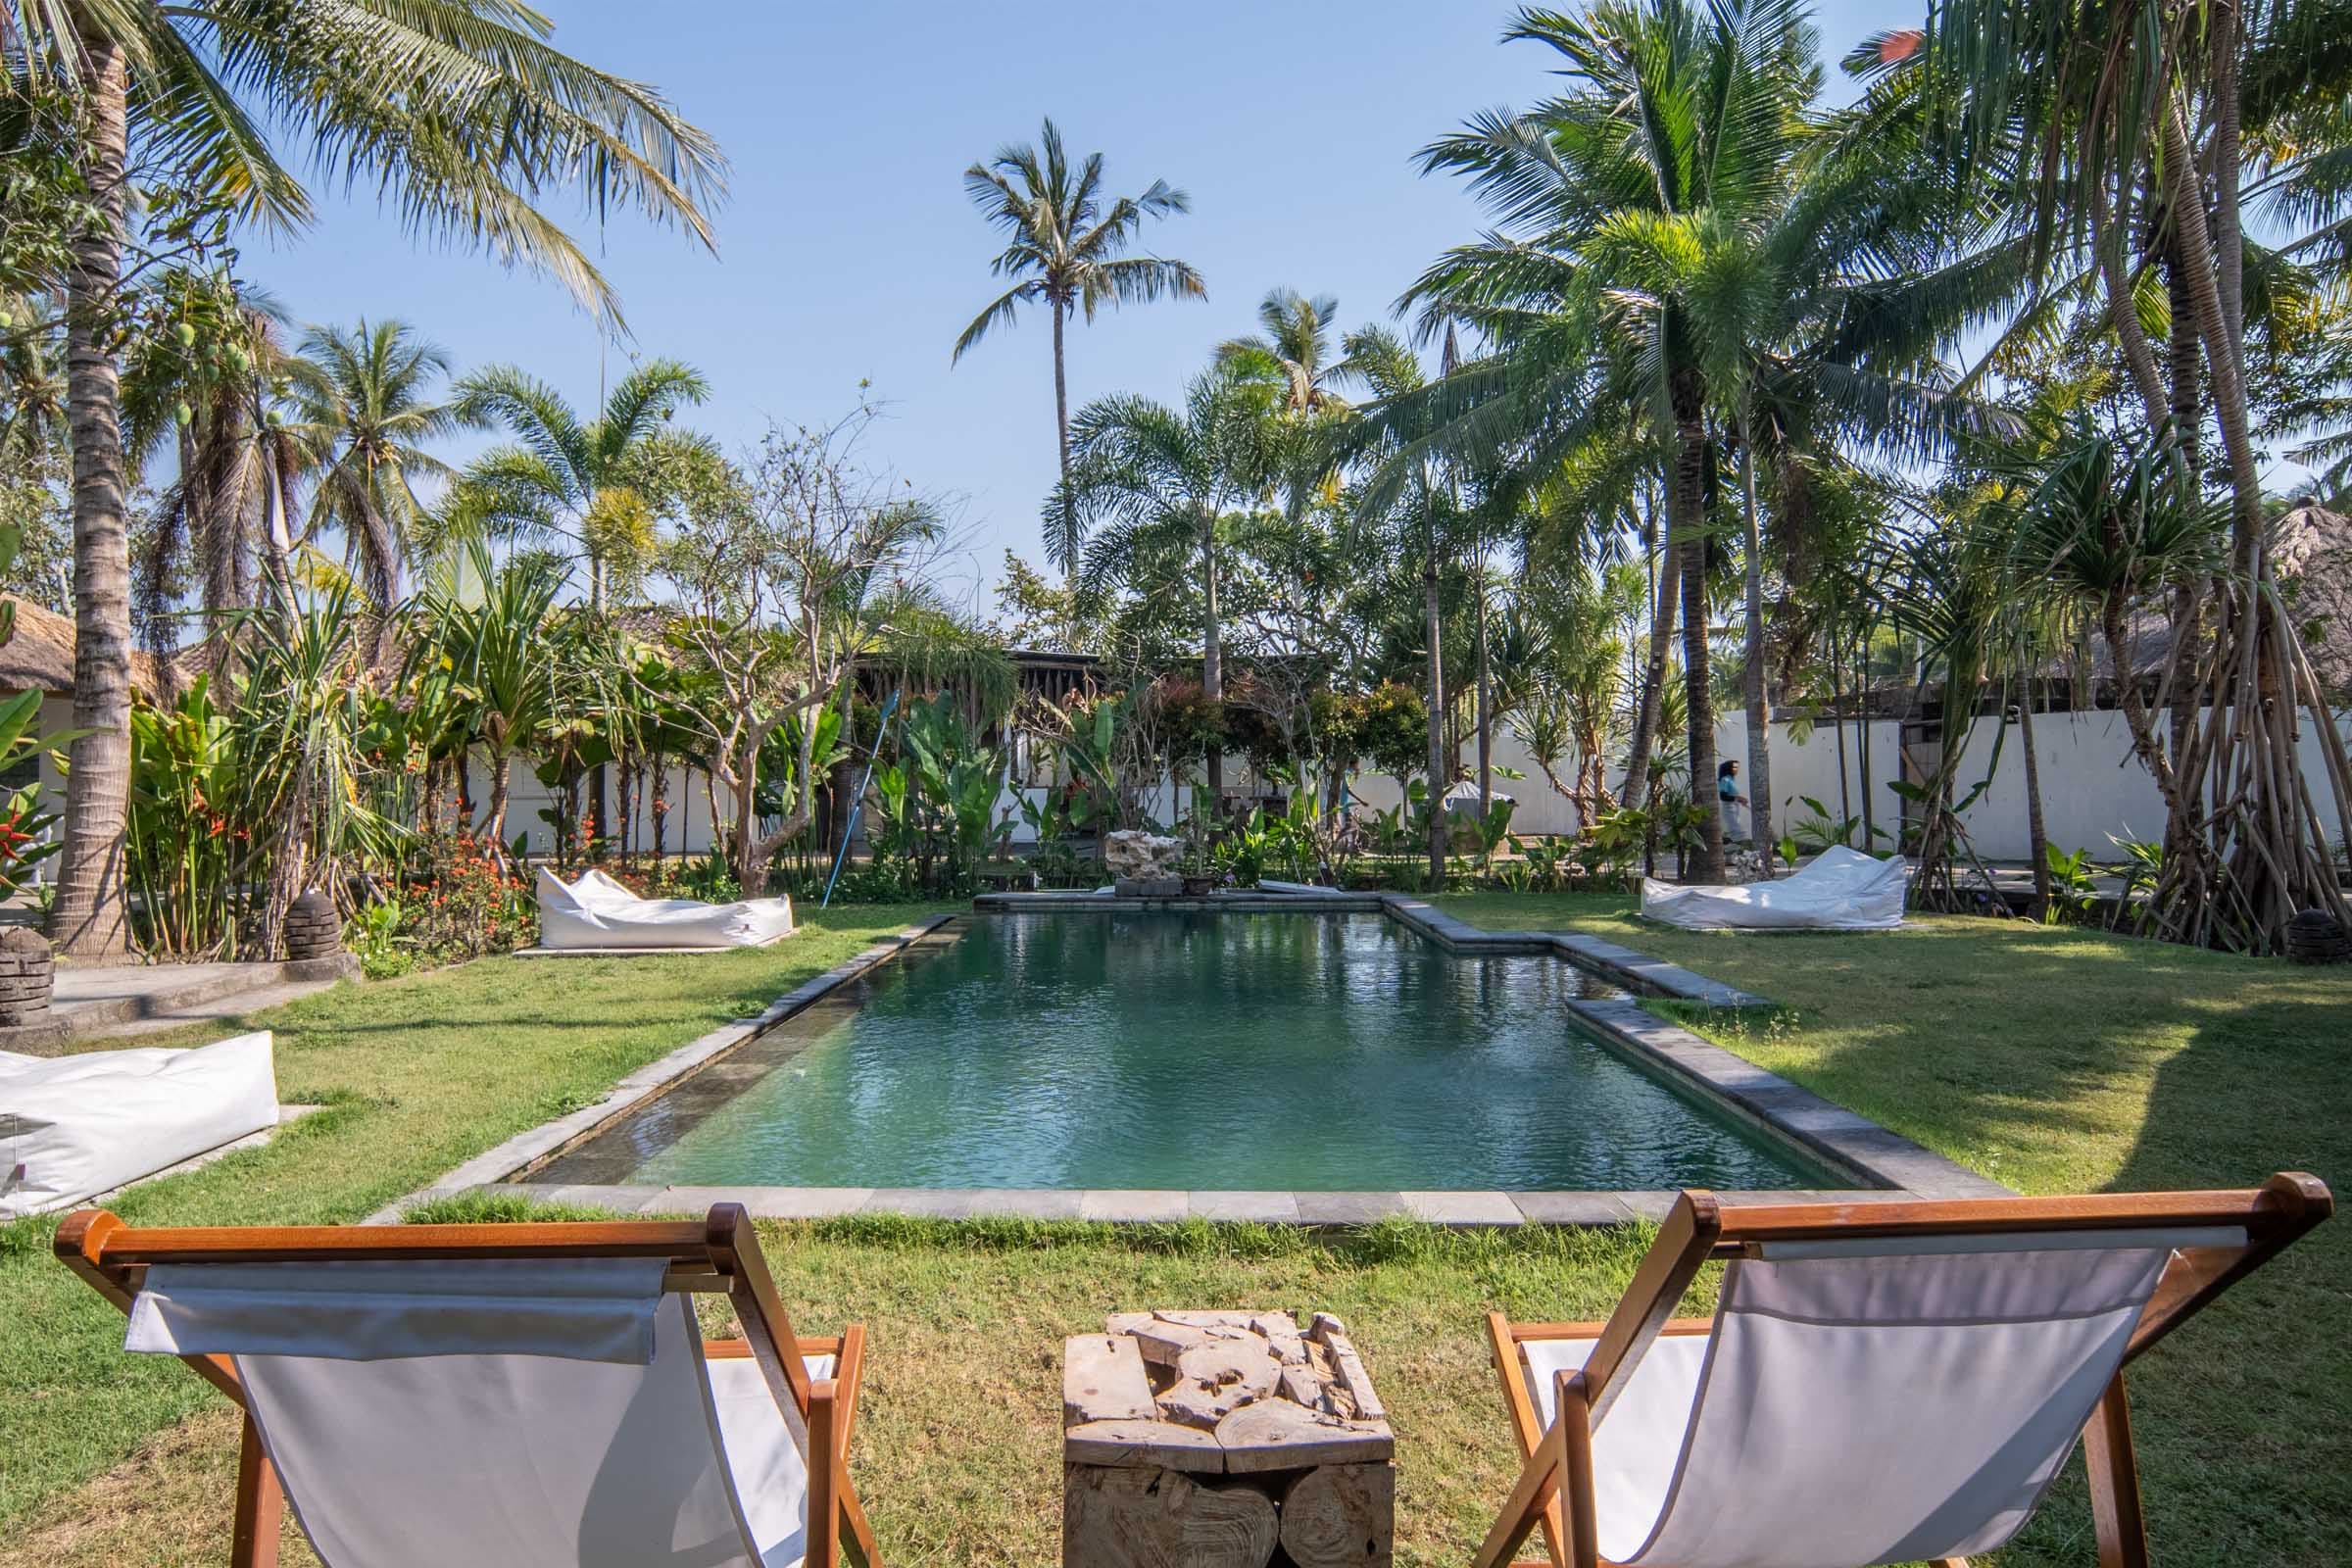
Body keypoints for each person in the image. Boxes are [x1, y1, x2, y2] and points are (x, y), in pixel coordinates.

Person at [1717, 760, 1749, 844]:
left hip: (1735, 808)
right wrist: (1738, 798)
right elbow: (1723, 796)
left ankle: (1731, 853)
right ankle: (1728, 850)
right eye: (1734, 767)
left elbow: (1733, 795)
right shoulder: (1725, 780)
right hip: (1729, 808)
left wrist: (1739, 799)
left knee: (1736, 833)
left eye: (1737, 767)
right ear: (1728, 768)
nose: (1736, 769)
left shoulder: (1731, 780)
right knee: (1739, 833)